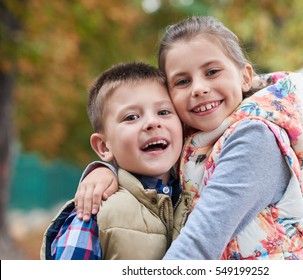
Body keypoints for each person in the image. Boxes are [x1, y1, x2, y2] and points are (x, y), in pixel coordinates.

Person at [75, 16, 303, 260]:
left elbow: (197, 246)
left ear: (245, 77)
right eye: (182, 81)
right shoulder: (195, 139)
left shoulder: (256, 138)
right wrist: (105, 170)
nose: (198, 88)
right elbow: (146, 172)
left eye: (211, 72)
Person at [40, 62, 195, 260]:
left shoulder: (195, 192)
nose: (152, 122)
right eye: (131, 117)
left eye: (164, 112)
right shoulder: (94, 214)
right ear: (104, 147)